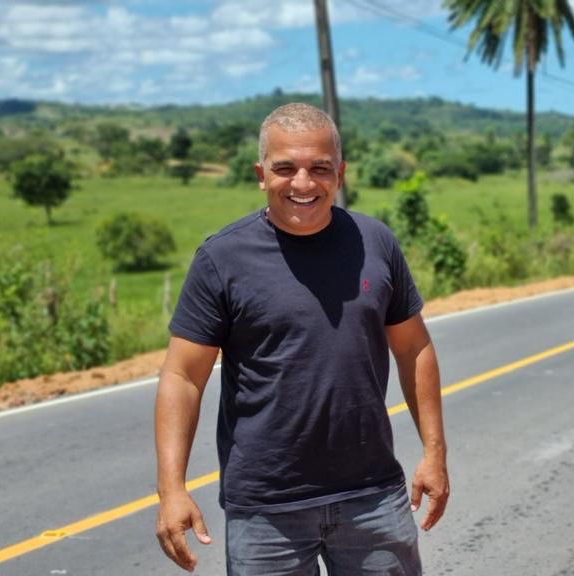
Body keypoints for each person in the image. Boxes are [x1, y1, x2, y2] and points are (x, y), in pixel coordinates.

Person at [154, 103, 448, 574]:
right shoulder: (222, 258)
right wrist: (171, 489)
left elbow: (414, 348)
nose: (304, 184)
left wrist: (435, 454)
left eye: (320, 168)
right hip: (266, 509)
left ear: (341, 172)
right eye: (285, 168)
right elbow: (183, 376)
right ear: (261, 173)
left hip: (372, 495)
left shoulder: (375, 243)